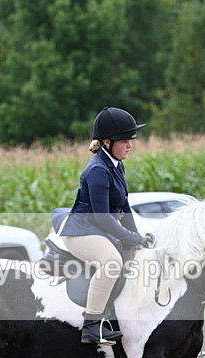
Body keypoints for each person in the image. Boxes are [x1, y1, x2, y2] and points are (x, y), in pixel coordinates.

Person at [59, 107, 151, 345]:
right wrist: (129, 237)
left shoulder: (117, 165)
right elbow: (102, 217)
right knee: (111, 262)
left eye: (131, 139)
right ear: (107, 142)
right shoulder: (98, 170)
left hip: (98, 229)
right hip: (82, 232)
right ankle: (91, 324)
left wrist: (138, 237)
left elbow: (124, 207)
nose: (130, 144)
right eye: (125, 140)